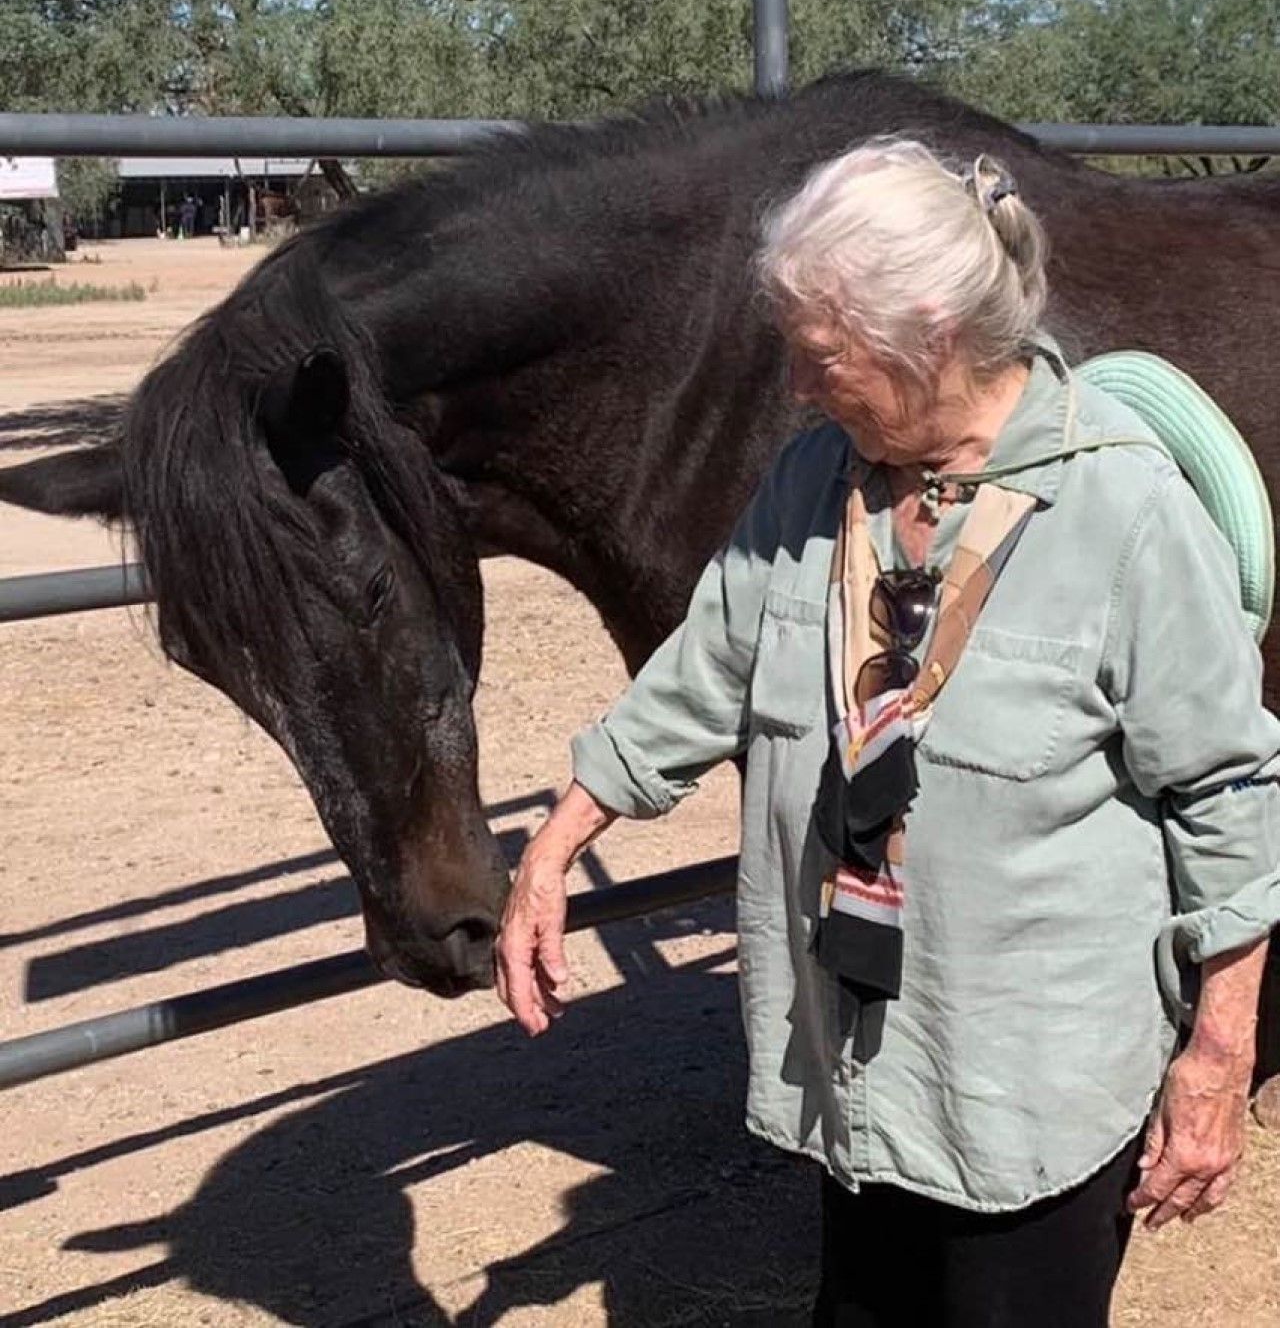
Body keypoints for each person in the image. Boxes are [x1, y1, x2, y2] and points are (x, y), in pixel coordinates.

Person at [495, 139, 1280, 1327]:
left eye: (820, 359)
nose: (798, 390)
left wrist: (1215, 1065)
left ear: (932, 333)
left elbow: (1227, 801)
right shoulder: (817, 479)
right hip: (859, 1068)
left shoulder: (1121, 513)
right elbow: (708, 661)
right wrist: (557, 842)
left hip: (1033, 1094)